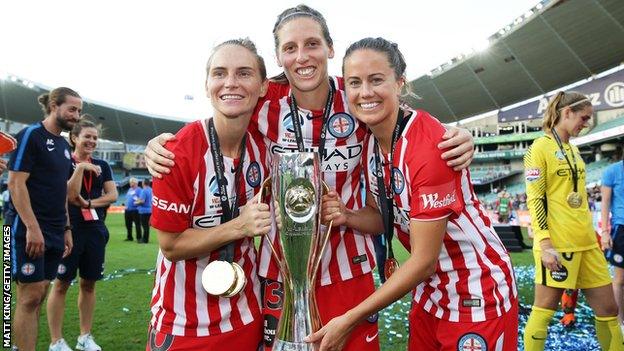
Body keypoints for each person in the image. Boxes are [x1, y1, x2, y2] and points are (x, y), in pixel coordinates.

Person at [144, 6, 475, 351]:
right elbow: (225, 109)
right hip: (280, 273)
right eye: (290, 48)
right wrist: (164, 144)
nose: (302, 57)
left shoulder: (356, 95)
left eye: (312, 44)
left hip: (348, 271)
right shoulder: (263, 99)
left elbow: (406, 124)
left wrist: (460, 135)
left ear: (330, 48)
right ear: (278, 58)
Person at [302, 37, 517, 351]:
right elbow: (382, 217)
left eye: (377, 80)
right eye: (354, 82)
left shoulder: (430, 148)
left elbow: (423, 261)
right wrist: (347, 216)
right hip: (430, 292)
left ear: (399, 83)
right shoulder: (370, 143)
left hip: (477, 291)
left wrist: (349, 319)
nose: (365, 93)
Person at [147, 38, 272, 350]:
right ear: (206, 85)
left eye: (244, 73)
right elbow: (171, 245)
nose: (230, 82)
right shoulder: (177, 152)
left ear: (263, 86)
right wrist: (241, 226)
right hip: (183, 324)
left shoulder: (265, 146)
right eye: (219, 73)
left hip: (245, 315)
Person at [523, 91, 623, 350]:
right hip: (558, 244)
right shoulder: (539, 148)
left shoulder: (573, 149)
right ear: (566, 113)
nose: (586, 123)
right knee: (544, 310)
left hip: (587, 243)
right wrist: (544, 244)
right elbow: (535, 199)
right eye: (584, 117)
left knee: (609, 309)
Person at [8, 87, 80, 351]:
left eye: (79, 111)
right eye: (71, 109)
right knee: (28, 297)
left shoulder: (63, 144)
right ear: (53, 105)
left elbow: (61, 190)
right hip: (26, 228)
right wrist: (32, 228)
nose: (76, 115)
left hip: (54, 230)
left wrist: (67, 228)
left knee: (38, 295)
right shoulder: (31, 135)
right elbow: (16, 184)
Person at [46, 117, 118, 351]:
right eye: (87, 136)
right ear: (74, 137)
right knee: (61, 284)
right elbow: (69, 195)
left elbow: (112, 195)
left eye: (95, 138)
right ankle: (56, 341)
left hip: (95, 231)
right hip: (68, 230)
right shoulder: (65, 162)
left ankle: (84, 337)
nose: (92, 141)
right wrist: (81, 168)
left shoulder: (103, 166)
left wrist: (87, 203)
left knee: (89, 284)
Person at [601, 142, 624, 333]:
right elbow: (605, 203)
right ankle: (620, 323)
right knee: (620, 279)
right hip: (621, 229)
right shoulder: (612, 172)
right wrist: (605, 232)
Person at [123, 177, 142, 242]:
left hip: (135, 210)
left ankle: (139, 238)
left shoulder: (139, 190)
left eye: (132, 182)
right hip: (127, 210)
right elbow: (127, 198)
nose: (130, 184)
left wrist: (136, 200)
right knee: (128, 224)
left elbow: (140, 199)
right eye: (130, 182)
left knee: (137, 224)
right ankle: (129, 237)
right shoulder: (129, 190)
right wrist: (125, 205)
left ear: (135, 183)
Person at [136, 178, 152, 243]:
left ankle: (144, 239)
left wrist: (136, 203)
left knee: (144, 226)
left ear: (143, 183)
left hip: (144, 211)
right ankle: (146, 239)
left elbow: (142, 201)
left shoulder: (144, 190)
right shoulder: (151, 190)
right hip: (150, 210)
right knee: (147, 226)